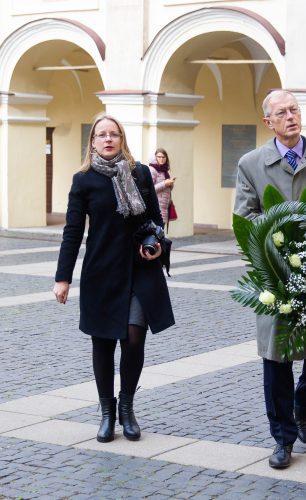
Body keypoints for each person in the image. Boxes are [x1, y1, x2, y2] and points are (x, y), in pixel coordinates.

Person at [234, 90, 306, 469]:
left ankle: (304, 399)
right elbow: (244, 216)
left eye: (294, 110)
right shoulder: (251, 164)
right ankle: (282, 439)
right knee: (276, 358)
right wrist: (278, 235)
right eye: (281, 112)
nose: (290, 117)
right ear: (268, 122)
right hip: (276, 274)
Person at [53, 114, 175, 443]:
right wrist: (63, 277)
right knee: (103, 342)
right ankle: (107, 412)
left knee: (135, 337)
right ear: (92, 141)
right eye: (101, 135)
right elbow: (72, 231)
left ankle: (127, 407)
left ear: (122, 139)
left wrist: (155, 245)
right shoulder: (84, 180)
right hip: (101, 272)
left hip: (139, 269)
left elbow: (154, 219)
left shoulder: (139, 174)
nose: (108, 139)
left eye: (114, 134)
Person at [148, 148, 175, 228]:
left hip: (164, 207)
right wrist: (165, 183)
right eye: (159, 157)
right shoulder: (152, 170)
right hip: (156, 207)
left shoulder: (164, 171)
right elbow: (150, 189)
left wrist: (170, 185)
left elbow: (166, 191)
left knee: (160, 234)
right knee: (156, 234)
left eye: (164, 157)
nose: (162, 159)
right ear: (155, 157)